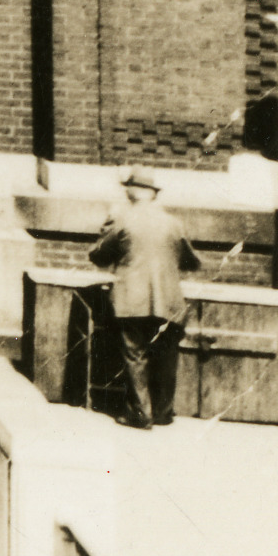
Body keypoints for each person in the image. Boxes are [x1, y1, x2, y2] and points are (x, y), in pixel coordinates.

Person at [91, 175, 193, 429]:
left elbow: (100, 254)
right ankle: (162, 413)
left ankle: (140, 413)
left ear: (130, 193)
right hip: (169, 300)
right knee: (166, 355)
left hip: (133, 299)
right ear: (154, 194)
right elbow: (191, 260)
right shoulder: (174, 222)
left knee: (135, 354)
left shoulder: (122, 218)